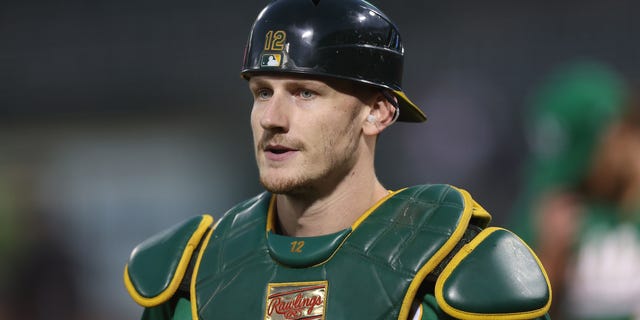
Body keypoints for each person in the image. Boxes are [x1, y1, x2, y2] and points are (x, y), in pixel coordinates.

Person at [123, 0, 551, 319]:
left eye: (305, 93)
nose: (272, 119)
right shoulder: (188, 280)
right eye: (262, 92)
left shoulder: (459, 272)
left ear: (378, 112)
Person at [510, 60, 640, 318]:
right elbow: (513, 312)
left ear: (614, 135)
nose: (573, 177)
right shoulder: (553, 209)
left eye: (582, 158)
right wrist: (551, 259)